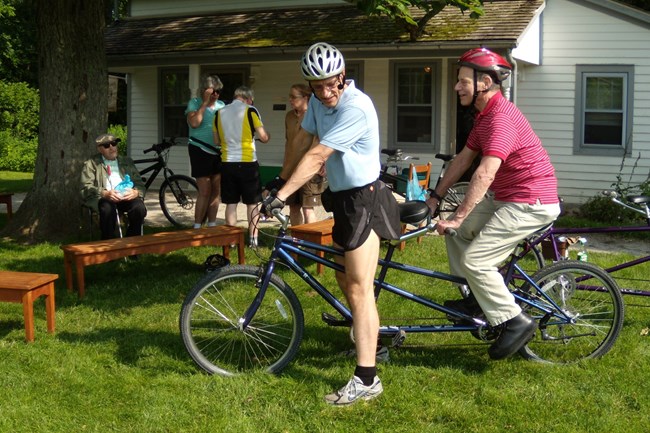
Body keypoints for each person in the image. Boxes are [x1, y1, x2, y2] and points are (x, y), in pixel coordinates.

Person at [262, 42, 401, 405]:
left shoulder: (356, 106)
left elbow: (319, 154)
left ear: (341, 76)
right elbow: (302, 140)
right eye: (316, 85)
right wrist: (279, 180)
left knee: (359, 288)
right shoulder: (319, 107)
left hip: (365, 200)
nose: (324, 92)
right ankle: (371, 343)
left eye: (329, 83)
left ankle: (367, 378)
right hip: (342, 200)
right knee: (346, 279)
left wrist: (281, 197)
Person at [426, 47, 561, 360]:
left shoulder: (501, 119)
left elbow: (485, 173)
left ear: (484, 82)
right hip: (508, 197)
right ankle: (477, 299)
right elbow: (463, 160)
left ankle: (515, 322)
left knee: (477, 261)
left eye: (463, 81)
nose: (457, 87)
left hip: (530, 201)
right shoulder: (484, 117)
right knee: (457, 235)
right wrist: (435, 198)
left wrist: (459, 215)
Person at [213, 86, 270, 247]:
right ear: (247, 98)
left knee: (231, 203)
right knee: (252, 203)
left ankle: (231, 241)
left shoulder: (219, 113)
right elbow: (263, 137)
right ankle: (253, 240)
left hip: (227, 163)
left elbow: (217, 141)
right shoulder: (251, 111)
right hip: (247, 163)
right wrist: (267, 136)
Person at [265, 84, 327, 225]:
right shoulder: (289, 116)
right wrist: (285, 168)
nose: (290, 100)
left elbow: (321, 143)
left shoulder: (315, 116)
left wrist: (324, 163)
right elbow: (289, 143)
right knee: (293, 207)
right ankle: (297, 241)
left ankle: (311, 245)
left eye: (294, 97)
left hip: (309, 169)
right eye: (290, 97)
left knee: (307, 209)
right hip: (290, 169)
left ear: (306, 97)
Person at [81, 133, 147, 240]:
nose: (112, 148)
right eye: (107, 146)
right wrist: (104, 193)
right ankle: (109, 245)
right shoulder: (91, 164)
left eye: (114, 143)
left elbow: (139, 184)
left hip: (125, 196)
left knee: (139, 208)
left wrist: (136, 192)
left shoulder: (127, 162)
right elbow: (85, 188)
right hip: (105, 198)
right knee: (107, 208)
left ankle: (132, 243)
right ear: (99, 149)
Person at [185, 74, 225, 229]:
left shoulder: (222, 106)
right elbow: (194, 123)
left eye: (219, 91)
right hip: (199, 149)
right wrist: (205, 104)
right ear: (204, 90)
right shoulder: (194, 103)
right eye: (213, 90)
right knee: (205, 190)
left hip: (218, 151)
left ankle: (212, 224)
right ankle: (197, 226)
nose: (216, 94)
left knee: (216, 190)